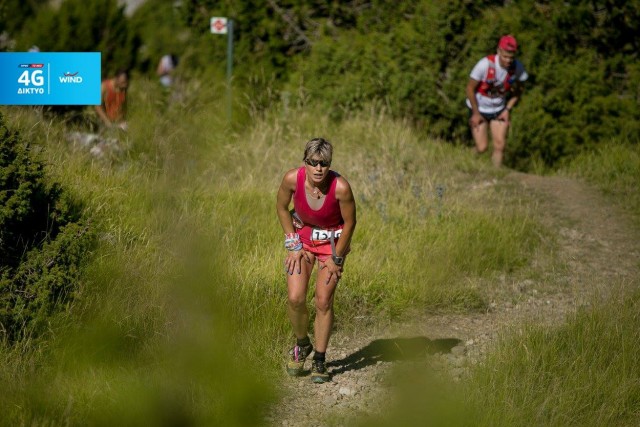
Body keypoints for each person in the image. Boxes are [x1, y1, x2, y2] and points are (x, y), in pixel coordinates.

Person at [276, 137, 357, 384]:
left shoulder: (341, 187)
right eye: (313, 163)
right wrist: (292, 244)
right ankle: (303, 344)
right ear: (306, 162)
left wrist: (337, 258)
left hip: (331, 245)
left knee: (323, 301)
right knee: (295, 298)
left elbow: (351, 222)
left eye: (324, 163)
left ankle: (319, 359)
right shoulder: (292, 179)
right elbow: (281, 207)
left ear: (330, 164)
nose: (319, 169)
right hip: (302, 241)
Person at [466, 34, 528, 167]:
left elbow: (520, 90)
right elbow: (470, 89)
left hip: (499, 110)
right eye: (505, 56)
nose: (508, 61)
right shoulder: (484, 65)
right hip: (479, 108)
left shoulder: (517, 68)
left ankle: (495, 175)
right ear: (498, 51)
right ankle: (463, 160)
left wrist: (507, 109)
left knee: (500, 145)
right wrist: (475, 113)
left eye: (511, 57)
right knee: (482, 148)